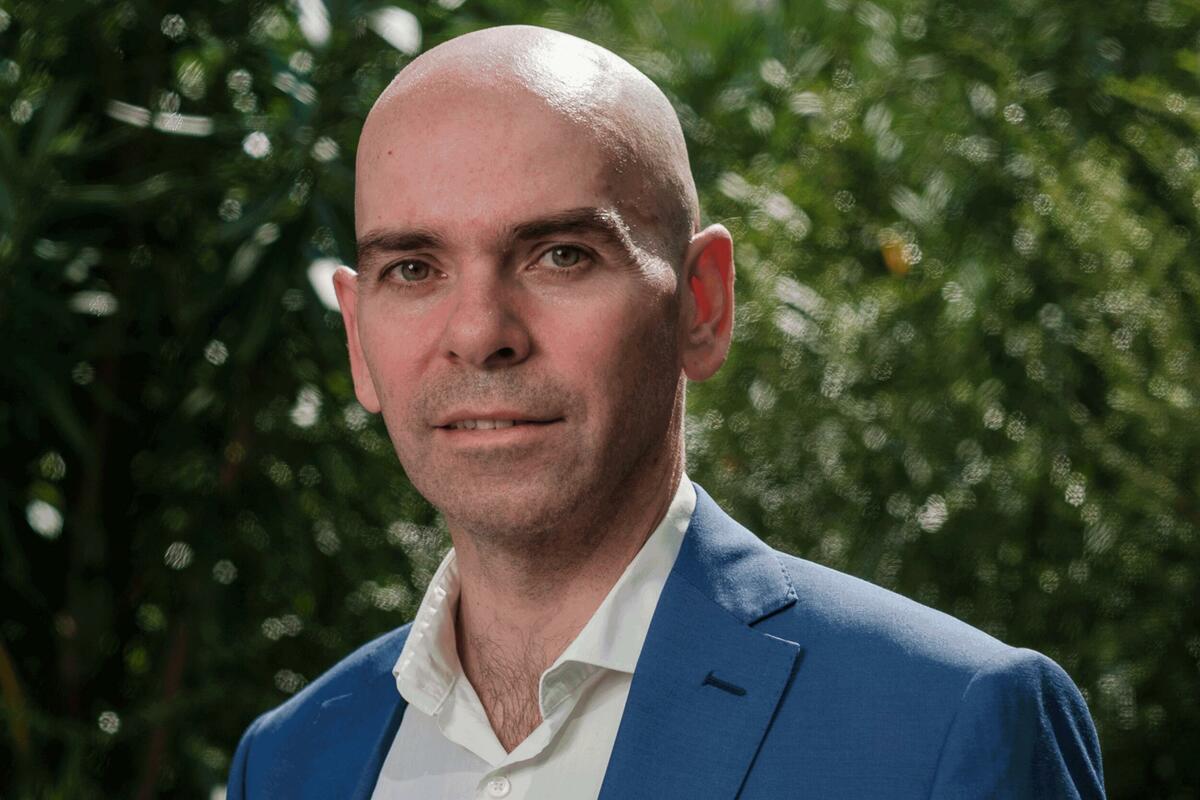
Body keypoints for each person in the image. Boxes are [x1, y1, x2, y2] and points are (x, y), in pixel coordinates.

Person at [227, 25, 1105, 799]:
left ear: (701, 305)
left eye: (561, 255)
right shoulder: (287, 764)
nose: (480, 334)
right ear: (359, 337)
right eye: (414, 270)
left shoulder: (941, 725)